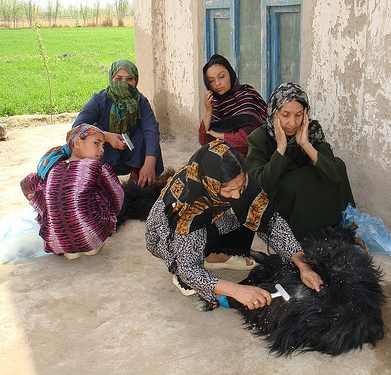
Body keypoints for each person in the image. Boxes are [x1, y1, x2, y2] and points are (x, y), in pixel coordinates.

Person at [145, 139, 323, 310]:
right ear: (212, 185)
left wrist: (303, 265)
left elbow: (270, 221)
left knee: (250, 211)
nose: (237, 194)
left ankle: (214, 255)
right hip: (167, 237)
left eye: (239, 186)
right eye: (229, 190)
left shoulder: (237, 179)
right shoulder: (190, 201)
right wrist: (239, 291)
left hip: (208, 219)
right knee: (190, 263)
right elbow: (189, 269)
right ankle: (188, 264)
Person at [246, 83, 355, 241]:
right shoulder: (259, 138)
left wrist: (306, 144)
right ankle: (300, 237)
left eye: (298, 115)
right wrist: (281, 148)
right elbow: (260, 189)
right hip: (279, 209)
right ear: (274, 113)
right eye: (285, 115)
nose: (292, 123)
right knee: (293, 184)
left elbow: (333, 176)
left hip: (307, 202)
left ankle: (335, 227)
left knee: (337, 165)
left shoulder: (311, 131)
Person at [20, 124, 124, 259]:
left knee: (53, 194)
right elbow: (118, 196)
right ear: (77, 143)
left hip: (56, 241)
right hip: (91, 235)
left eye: (103, 146)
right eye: (96, 143)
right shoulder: (97, 168)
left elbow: (26, 185)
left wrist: (45, 211)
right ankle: (93, 243)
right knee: (104, 191)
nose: (101, 150)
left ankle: (69, 250)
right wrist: (110, 217)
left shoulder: (51, 169)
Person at [73, 59, 164, 188]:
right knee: (92, 135)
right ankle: (106, 179)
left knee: (144, 135)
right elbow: (78, 126)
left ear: (135, 81)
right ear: (111, 79)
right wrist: (106, 136)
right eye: (118, 78)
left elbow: (151, 129)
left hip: (131, 151)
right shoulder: (99, 99)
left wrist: (150, 162)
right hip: (106, 152)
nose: (123, 83)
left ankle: (136, 177)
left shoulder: (140, 101)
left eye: (129, 79)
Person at [199, 54, 267, 157]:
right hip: (223, 157)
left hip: (251, 158)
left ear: (230, 74)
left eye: (221, 76)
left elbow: (250, 138)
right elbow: (204, 141)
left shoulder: (247, 97)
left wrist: (221, 136)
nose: (217, 83)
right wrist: (208, 111)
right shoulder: (214, 104)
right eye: (211, 80)